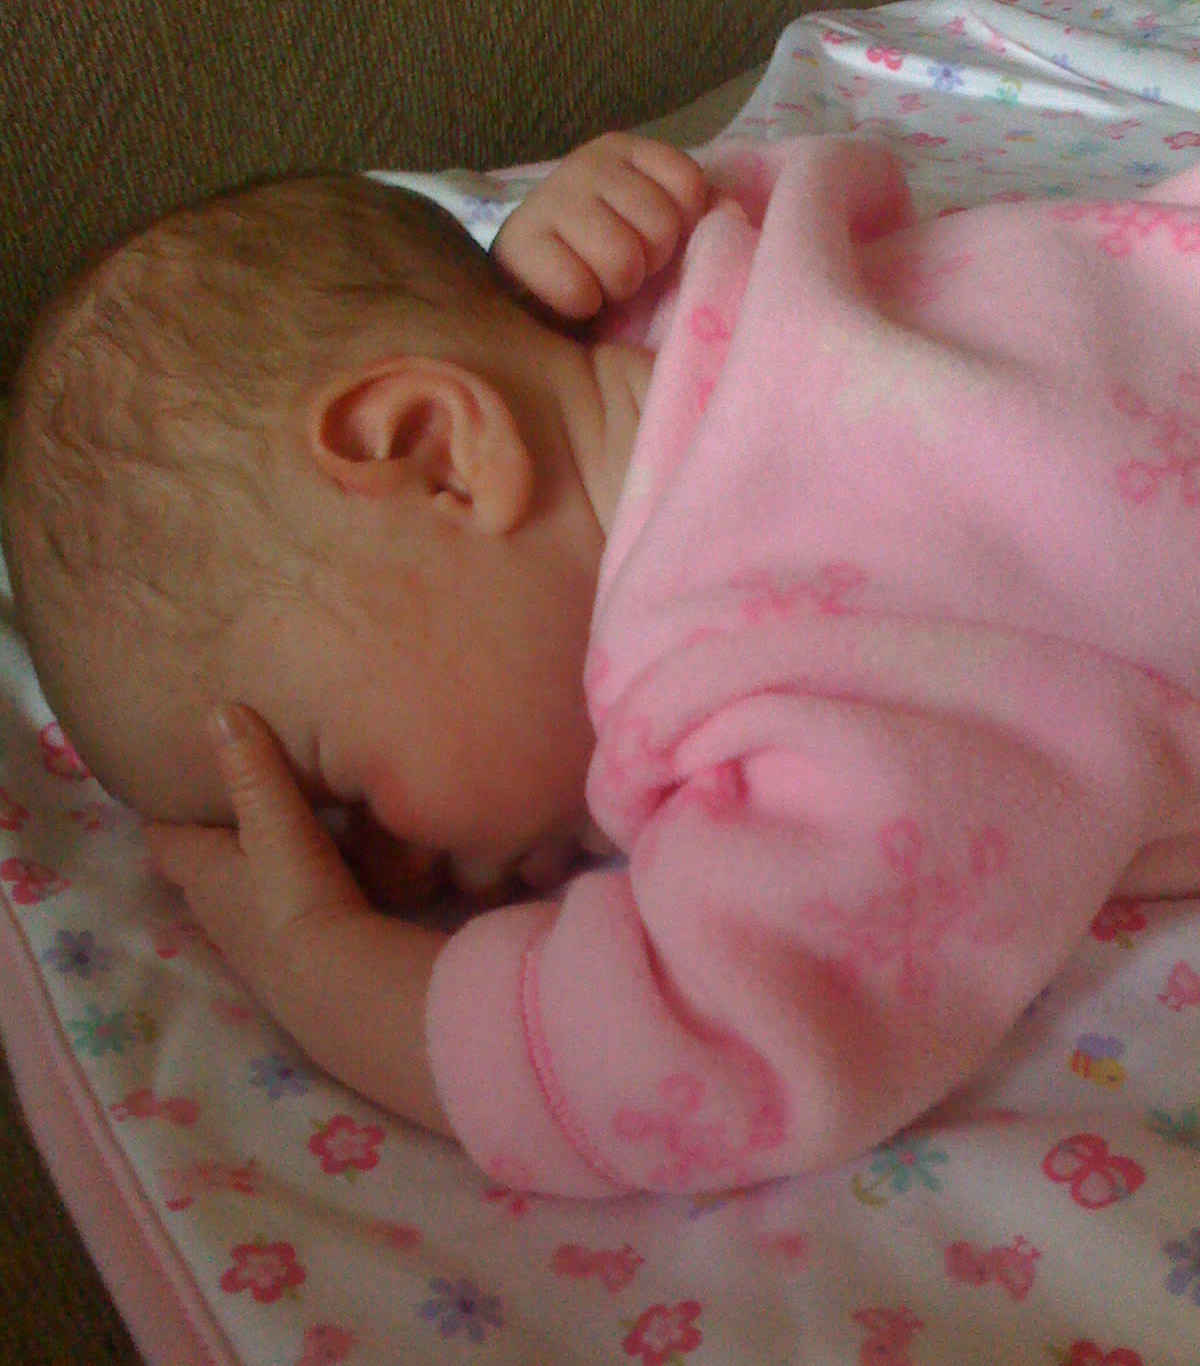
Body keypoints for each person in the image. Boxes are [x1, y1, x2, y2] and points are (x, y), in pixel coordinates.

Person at [7, 129, 1200, 1198]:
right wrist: (587, 257)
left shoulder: (767, 655)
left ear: (437, 452)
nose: (386, 873)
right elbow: (821, 178)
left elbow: (705, 1043)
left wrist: (323, 964)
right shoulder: (709, 304)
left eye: (336, 794)